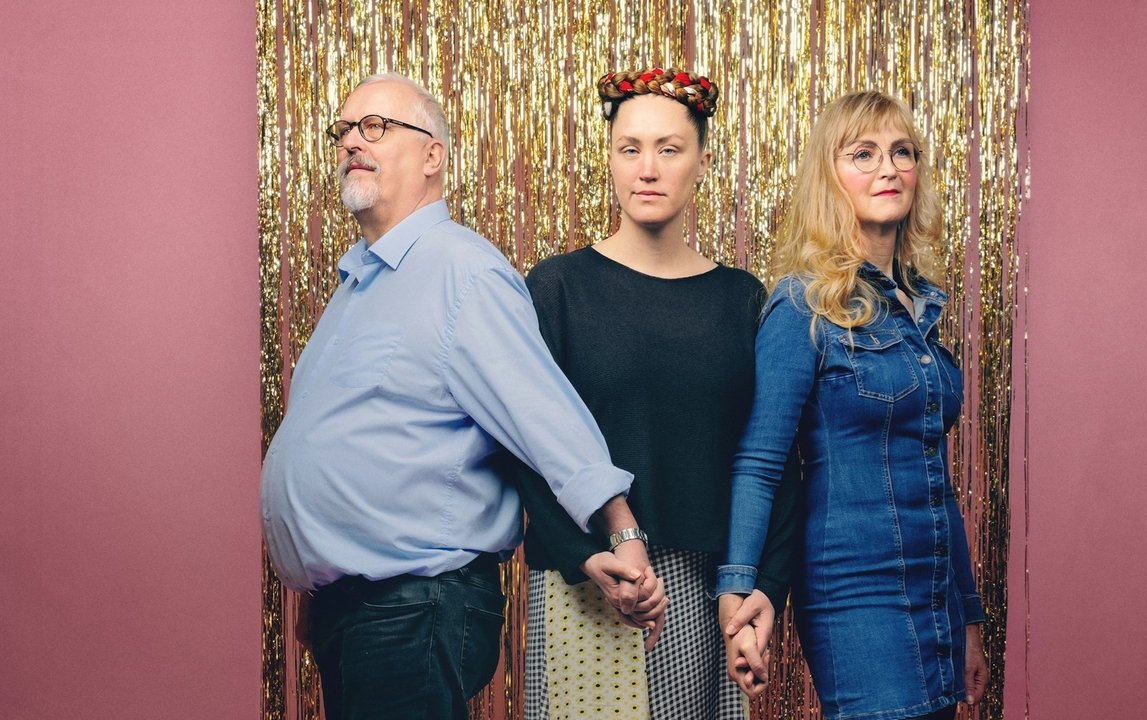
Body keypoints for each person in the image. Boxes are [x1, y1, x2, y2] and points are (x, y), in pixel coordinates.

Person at [259, 72, 664, 720]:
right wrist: (322, 580)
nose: (352, 142)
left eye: (375, 127)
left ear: (432, 156)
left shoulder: (461, 270)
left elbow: (541, 412)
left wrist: (621, 529)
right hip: (354, 609)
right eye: (344, 130)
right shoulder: (356, 285)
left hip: (416, 605)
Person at [512, 67, 797, 720]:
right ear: (609, 159)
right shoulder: (557, 288)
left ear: (704, 162)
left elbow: (773, 456)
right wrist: (586, 554)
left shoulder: (741, 299)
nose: (647, 169)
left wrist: (765, 583)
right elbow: (526, 444)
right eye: (630, 148)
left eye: (669, 149)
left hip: (706, 587)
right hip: (586, 582)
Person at [716, 91, 991, 720]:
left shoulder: (921, 306)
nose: (887, 169)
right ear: (829, 175)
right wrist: (737, 589)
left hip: (936, 591)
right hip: (855, 590)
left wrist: (969, 616)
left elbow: (937, 479)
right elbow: (759, 461)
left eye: (901, 152)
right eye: (863, 154)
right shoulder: (802, 306)